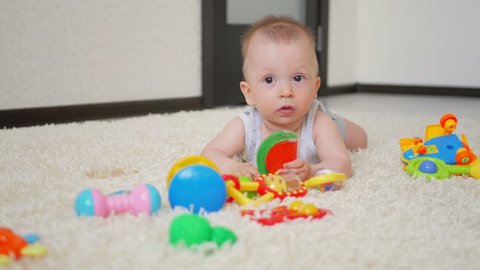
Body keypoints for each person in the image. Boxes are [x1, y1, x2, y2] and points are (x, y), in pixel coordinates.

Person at [201, 16, 367, 181]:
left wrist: (312, 170)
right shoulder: (245, 125)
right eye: (269, 80)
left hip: (312, 115)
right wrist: (228, 166)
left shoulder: (319, 123)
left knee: (360, 139)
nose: (286, 91)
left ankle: (339, 125)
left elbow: (343, 164)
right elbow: (210, 154)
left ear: (315, 88)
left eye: (297, 78)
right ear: (249, 93)